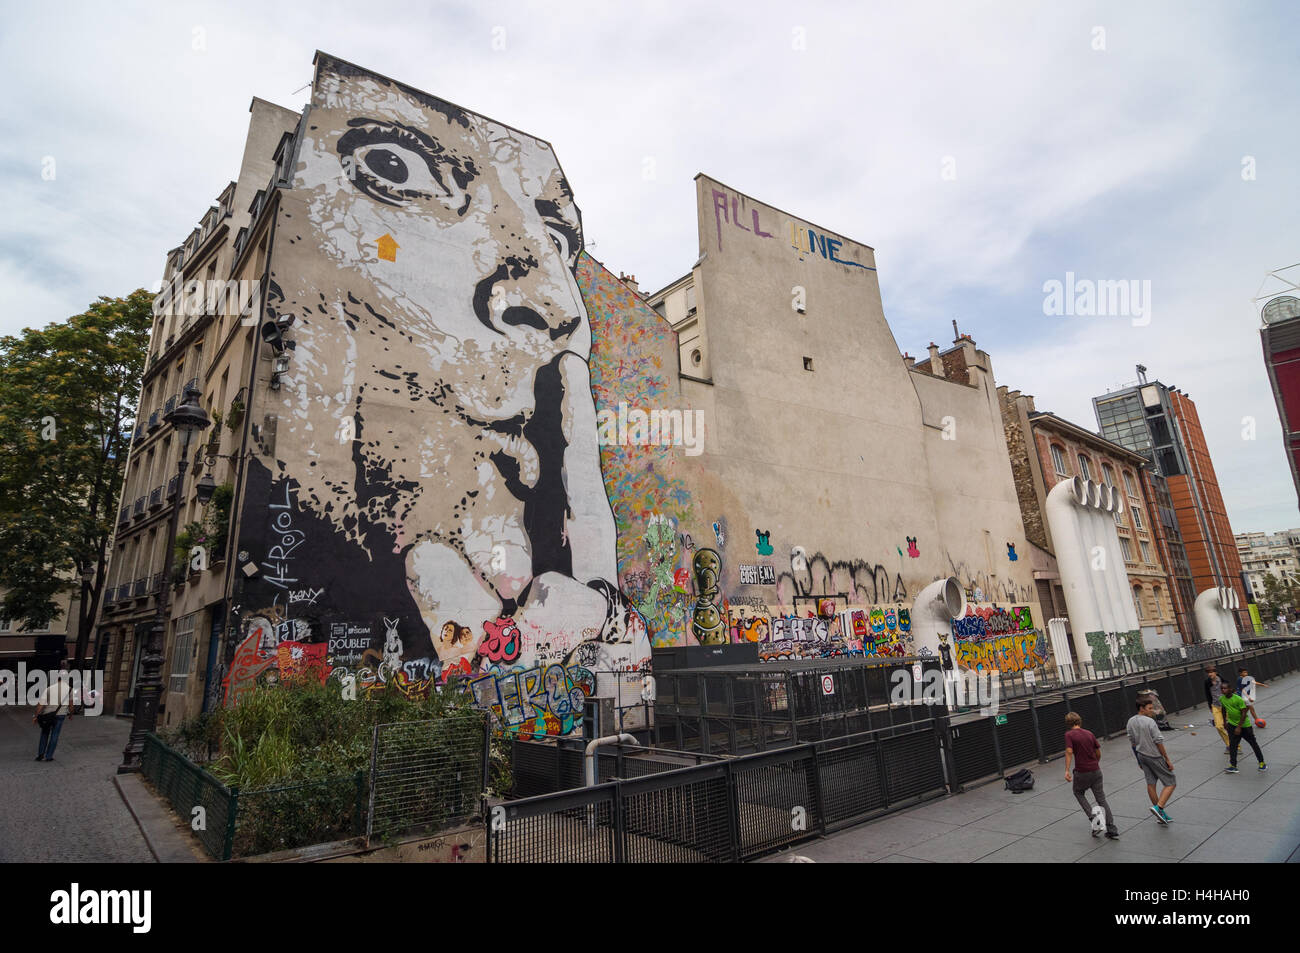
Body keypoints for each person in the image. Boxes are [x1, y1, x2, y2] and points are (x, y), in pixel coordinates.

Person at [1064, 711, 1119, 839]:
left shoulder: (1069, 735)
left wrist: (1067, 770)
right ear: (1079, 721)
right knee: (1101, 799)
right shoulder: (1089, 733)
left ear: (1068, 724)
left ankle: (1096, 821)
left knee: (1078, 793)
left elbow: (1069, 751)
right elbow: (1098, 752)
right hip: (1096, 770)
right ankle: (1111, 827)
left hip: (1082, 771)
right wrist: (1095, 763)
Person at [1126, 696, 1176, 823]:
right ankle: (1159, 807)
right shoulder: (1149, 722)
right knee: (1171, 782)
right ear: (1142, 708)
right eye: (1149, 708)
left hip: (1141, 755)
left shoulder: (1131, 721)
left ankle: (1160, 815)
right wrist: (1167, 759)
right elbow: (1158, 741)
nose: (1152, 710)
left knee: (1151, 783)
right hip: (1154, 755)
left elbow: (1132, 742)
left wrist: (1138, 759)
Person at [1220, 681, 1266, 773]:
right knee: (1233, 746)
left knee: (1253, 744)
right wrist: (1224, 722)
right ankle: (1233, 766)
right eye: (1222, 688)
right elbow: (1224, 709)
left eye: (1225, 688)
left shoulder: (1238, 699)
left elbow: (1244, 713)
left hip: (1245, 726)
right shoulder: (1222, 699)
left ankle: (1262, 763)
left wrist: (1239, 727)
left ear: (1229, 689)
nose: (1223, 690)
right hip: (1232, 725)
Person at [32, 661, 74, 762]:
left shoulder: (49, 689)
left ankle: (40, 755)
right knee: (55, 735)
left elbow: (40, 705)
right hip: (60, 715)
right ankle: (49, 756)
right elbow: (71, 705)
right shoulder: (70, 690)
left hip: (47, 714)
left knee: (44, 733)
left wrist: (35, 716)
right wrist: (71, 714)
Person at [1204, 665, 1230, 754]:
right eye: (1208, 673)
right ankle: (1229, 744)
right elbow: (1207, 694)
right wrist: (1210, 706)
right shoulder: (1207, 682)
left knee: (1229, 726)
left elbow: (1229, 691)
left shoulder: (1223, 680)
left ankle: (1235, 745)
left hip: (1225, 706)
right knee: (1219, 726)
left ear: (1215, 672)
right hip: (1215, 706)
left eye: (1211, 672)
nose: (1210, 674)